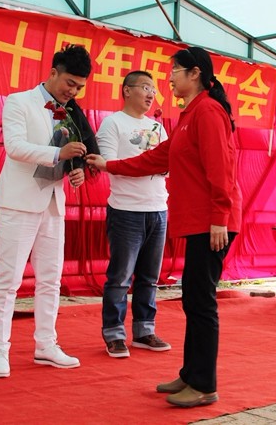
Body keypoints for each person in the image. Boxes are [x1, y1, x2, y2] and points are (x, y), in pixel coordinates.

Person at [86, 46, 241, 407]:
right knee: (193, 300)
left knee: (201, 303)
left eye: (174, 71)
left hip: (212, 223)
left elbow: (222, 168)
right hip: (199, 221)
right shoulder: (190, 114)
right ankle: (190, 374)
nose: (168, 79)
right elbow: (157, 158)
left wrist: (219, 217)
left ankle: (204, 385)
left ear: (195, 73)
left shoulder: (208, 111)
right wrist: (109, 165)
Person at [0, 44, 99, 378]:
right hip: (19, 202)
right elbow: (15, 147)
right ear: (53, 73)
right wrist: (58, 154)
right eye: (69, 83)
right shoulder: (19, 101)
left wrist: (76, 170)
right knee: (8, 279)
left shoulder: (71, 111)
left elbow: (72, 155)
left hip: (53, 203)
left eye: (79, 87)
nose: (73, 91)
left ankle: (46, 345)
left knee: (51, 279)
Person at [96, 71, 170, 358]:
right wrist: (148, 165)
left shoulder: (157, 127)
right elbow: (107, 163)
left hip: (158, 209)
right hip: (126, 209)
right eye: (145, 87)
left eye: (154, 89)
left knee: (149, 277)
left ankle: (144, 330)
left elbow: (169, 165)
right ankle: (114, 333)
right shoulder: (113, 123)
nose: (151, 94)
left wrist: (143, 165)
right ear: (127, 90)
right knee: (120, 277)